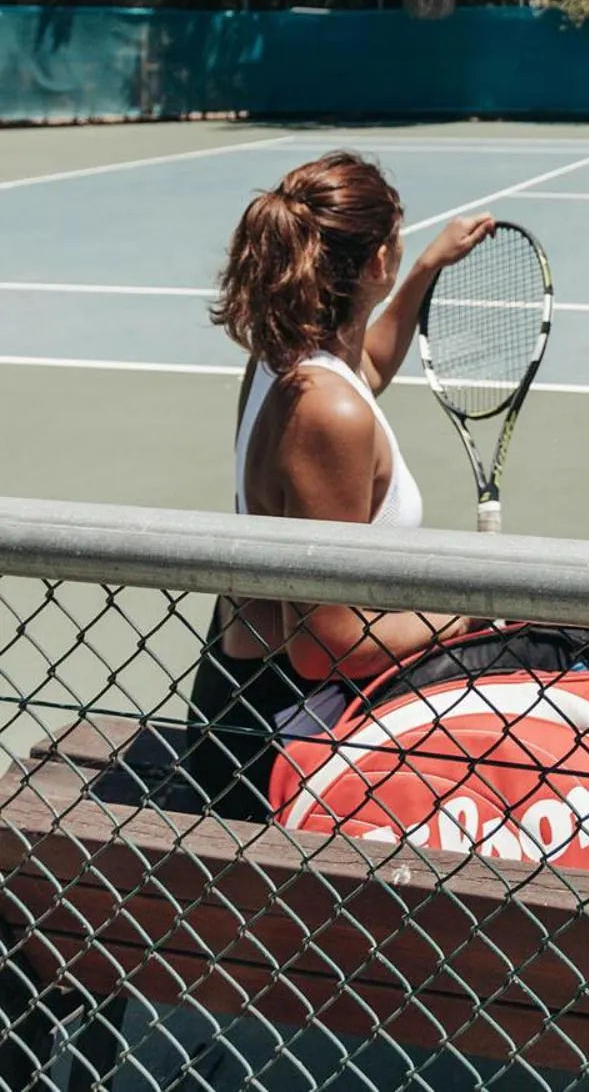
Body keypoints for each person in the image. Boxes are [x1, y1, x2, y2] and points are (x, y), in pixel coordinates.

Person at [183, 150, 494, 821]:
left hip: (242, 703)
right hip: (273, 744)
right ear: (375, 262)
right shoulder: (329, 413)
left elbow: (366, 366)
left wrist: (425, 269)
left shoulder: (285, 358)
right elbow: (327, 644)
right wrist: (470, 610)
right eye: (401, 242)